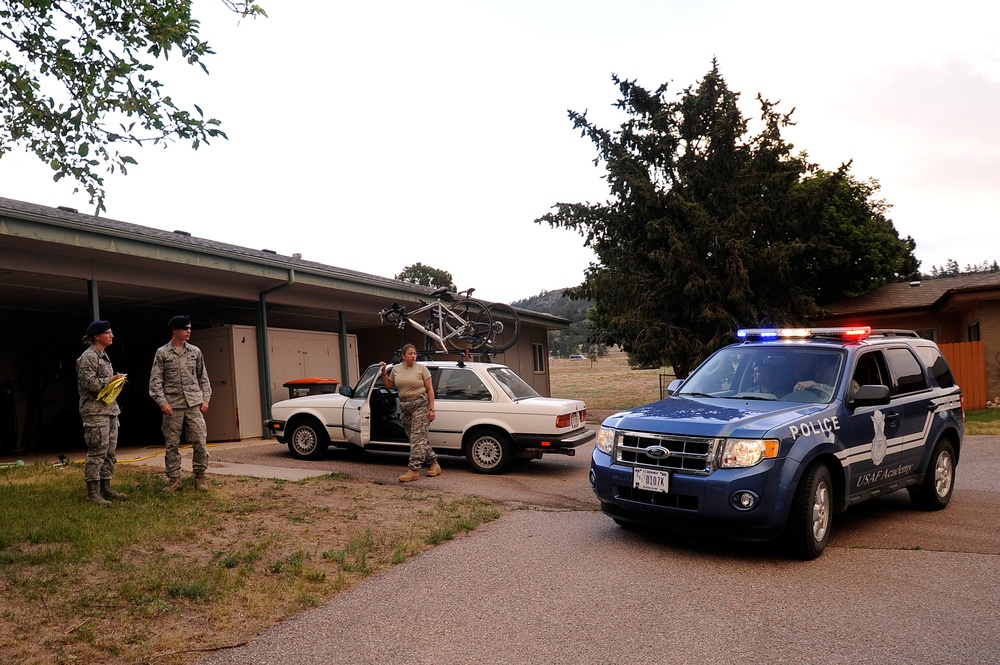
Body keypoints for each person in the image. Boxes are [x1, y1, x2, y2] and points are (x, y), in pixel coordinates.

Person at [149, 315, 212, 492]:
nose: (189, 331)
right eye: (185, 328)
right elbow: (155, 381)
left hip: (193, 404)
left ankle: (200, 477)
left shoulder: (195, 352)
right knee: (172, 444)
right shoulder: (162, 353)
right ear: (175, 330)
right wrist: (162, 402)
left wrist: (205, 398)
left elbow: (203, 377)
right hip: (172, 406)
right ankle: (174, 479)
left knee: (200, 440)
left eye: (190, 328)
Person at [76, 320, 128, 505]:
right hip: (95, 412)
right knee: (97, 450)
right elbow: (88, 383)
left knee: (109, 451)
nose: (112, 336)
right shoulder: (88, 357)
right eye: (108, 333)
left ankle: (106, 487)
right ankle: (92, 492)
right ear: (97, 336)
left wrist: (115, 381)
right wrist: (110, 379)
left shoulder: (103, 356)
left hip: (109, 410)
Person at [380, 343, 441, 482]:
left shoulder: (422, 369)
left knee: (416, 438)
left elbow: (430, 390)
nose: (413, 356)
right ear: (403, 356)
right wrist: (384, 372)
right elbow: (389, 385)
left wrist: (432, 409)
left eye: (414, 353)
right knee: (415, 437)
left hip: (420, 404)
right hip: (405, 406)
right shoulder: (396, 369)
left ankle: (414, 470)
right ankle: (434, 463)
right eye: (410, 354)